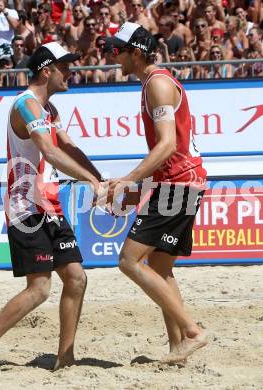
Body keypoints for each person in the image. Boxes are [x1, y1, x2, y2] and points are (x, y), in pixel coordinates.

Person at [0, 42, 104, 373]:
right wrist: (90, 181)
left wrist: (101, 179)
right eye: (65, 66)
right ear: (47, 70)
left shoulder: (49, 111)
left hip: (50, 205)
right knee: (40, 288)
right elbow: (52, 153)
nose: (71, 71)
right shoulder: (26, 106)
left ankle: (65, 358)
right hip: (25, 208)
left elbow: (68, 146)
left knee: (76, 278)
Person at [99, 22, 208, 364]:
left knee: (129, 261)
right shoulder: (154, 83)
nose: (113, 57)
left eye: (118, 51)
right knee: (160, 269)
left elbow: (168, 145)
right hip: (180, 182)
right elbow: (169, 149)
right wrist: (141, 186)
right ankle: (179, 348)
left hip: (179, 183)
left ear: (136, 52)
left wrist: (131, 180)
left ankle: (192, 332)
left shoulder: (158, 84)